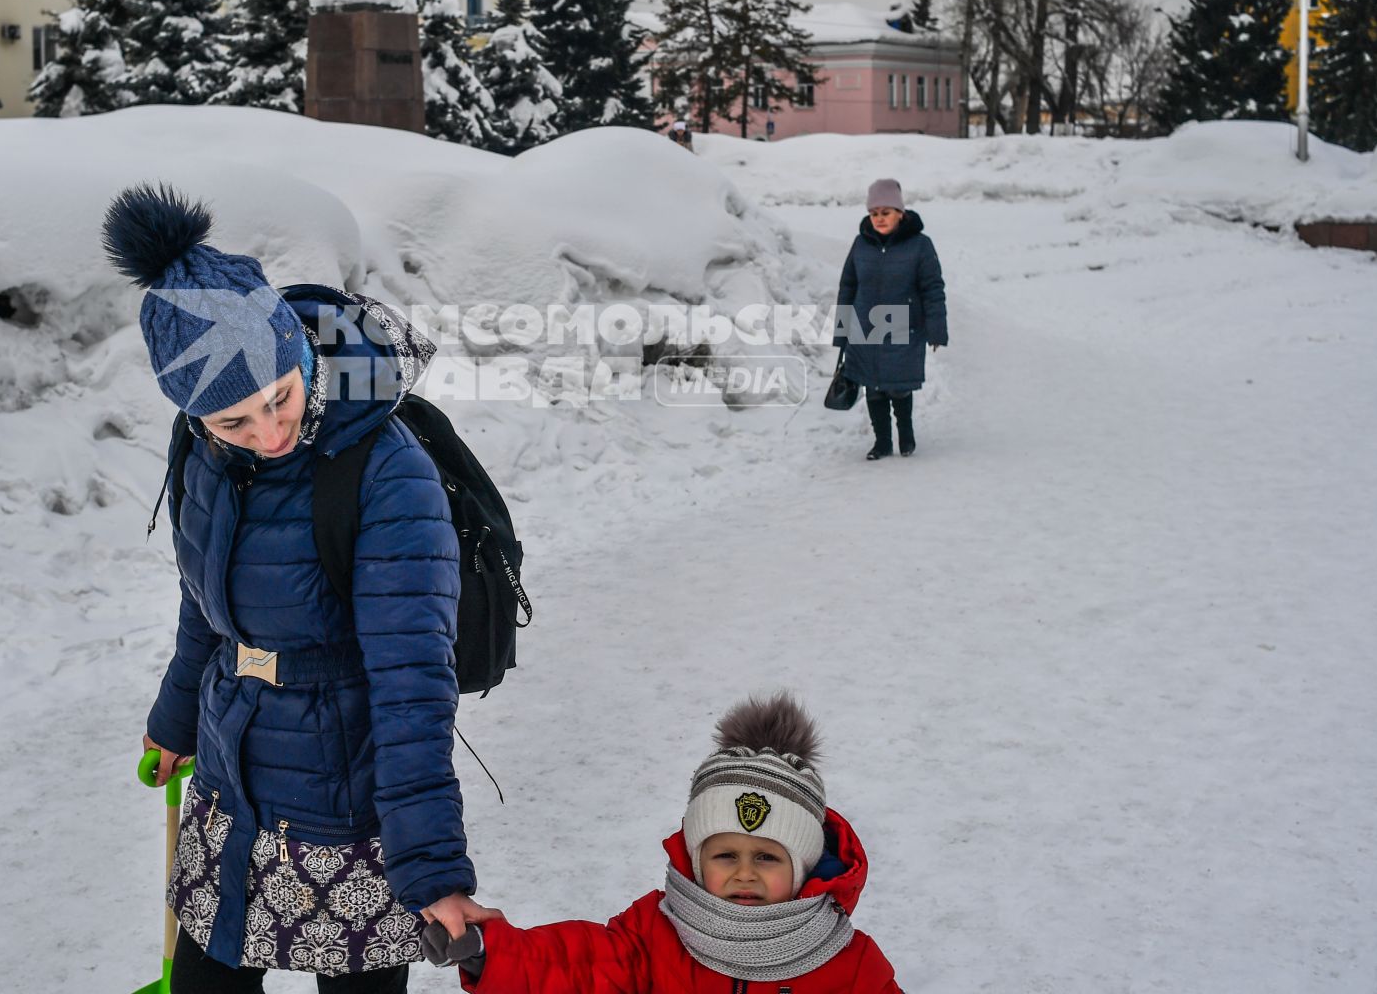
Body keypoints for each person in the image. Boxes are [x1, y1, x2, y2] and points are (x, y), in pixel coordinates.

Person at [105, 183, 479, 992]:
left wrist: (431, 865)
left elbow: (413, 681)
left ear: (299, 354)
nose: (269, 434)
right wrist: (174, 722)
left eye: (280, 398)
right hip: (231, 773)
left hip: (350, 806)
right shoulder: (200, 453)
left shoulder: (387, 474)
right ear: (194, 416)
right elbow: (202, 603)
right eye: (235, 422)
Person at [420, 693, 905, 992]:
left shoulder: (850, 964)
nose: (744, 872)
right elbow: (579, 970)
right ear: (696, 860)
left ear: (801, 866)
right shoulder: (655, 934)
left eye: (766, 857)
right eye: (725, 855)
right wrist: (490, 950)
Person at [833, 178, 947, 460]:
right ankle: (882, 442)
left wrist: (936, 330)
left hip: (903, 324)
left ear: (900, 213)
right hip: (865, 325)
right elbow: (847, 287)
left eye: (886, 212)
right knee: (873, 387)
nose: (879, 219)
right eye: (874, 213)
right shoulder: (861, 244)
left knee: (898, 387)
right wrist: (842, 331)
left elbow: (933, 289)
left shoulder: (920, 245)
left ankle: (905, 434)